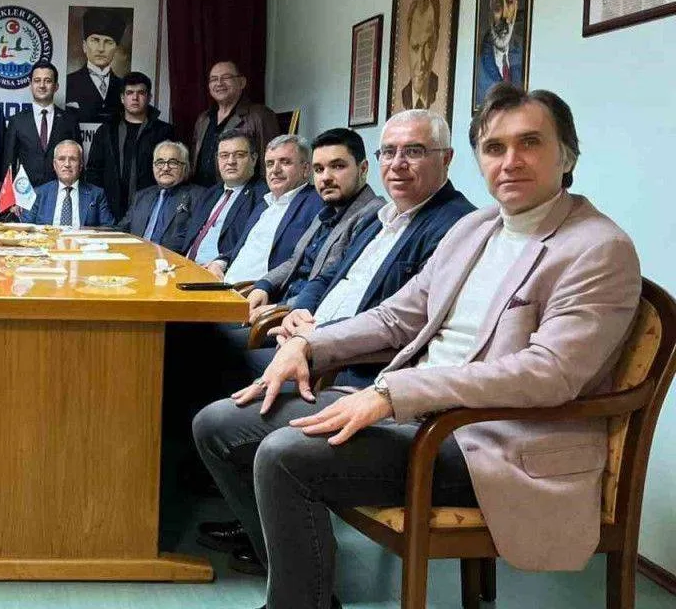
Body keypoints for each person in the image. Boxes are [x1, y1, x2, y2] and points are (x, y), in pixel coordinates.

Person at [193, 84, 639, 609]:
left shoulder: (597, 248)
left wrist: (392, 393)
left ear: (568, 155)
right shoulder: (476, 228)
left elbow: (548, 374)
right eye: (494, 148)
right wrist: (309, 346)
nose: (510, 161)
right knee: (217, 424)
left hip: (489, 442)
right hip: (416, 413)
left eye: (530, 143)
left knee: (284, 455)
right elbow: (398, 315)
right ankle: (304, 589)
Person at [193, 109, 475, 566]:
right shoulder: (381, 217)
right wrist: (301, 314)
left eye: (414, 152)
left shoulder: (455, 226)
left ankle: (274, 538)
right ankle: (262, 525)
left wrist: (318, 339)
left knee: (214, 369)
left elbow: (408, 325)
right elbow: (329, 277)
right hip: (314, 338)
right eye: (390, 152)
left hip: (354, 369)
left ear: (447, 159)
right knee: (204, 353)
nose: (398, 164)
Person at [244, 128, 384, 308]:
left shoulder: (374, 215)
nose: (325, 177)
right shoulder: (326, 211)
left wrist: (277, 309)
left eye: (337, 166)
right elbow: (295, 261)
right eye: (319, 169)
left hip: (303, 314)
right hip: (280, 301)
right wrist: (264, 285)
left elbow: (335, 286)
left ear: (363, 169)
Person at [208, 135, 324, 284]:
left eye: (285, 162)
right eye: (270, 164)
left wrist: (264, 288)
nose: (275, 170)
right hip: (224, 284)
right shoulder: (264, 204)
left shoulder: (317, 202)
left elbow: (305, 261)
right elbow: (245, 247)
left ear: (306, 169)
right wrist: (219, 262)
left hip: (258, 292)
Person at [85, 71, 173, 218]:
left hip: (151, 209)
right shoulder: (106, 131)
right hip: (109, 210)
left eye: (141, 93)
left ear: (149, 97)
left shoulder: (164, 132)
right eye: (130, 92)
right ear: (122, 98)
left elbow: (171, 172)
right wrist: (99, 206)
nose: (135, 97)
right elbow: (94, 172)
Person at [182, 129, 267, 264]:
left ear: (253, 159)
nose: (231, 161)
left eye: (239, 155)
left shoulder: (263, 196)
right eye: (224, 155)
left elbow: (251, 246)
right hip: (186, 265)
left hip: (219, 270)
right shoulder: (210, 194)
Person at [191, 61, 279, 187]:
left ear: (242, 82)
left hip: (241, 192)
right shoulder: (203, 119)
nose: (219, 83)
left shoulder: (260, 115)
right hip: (202, 192)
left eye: (226, 77)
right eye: (214, 79)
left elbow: (270, 162)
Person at [2, 60, 81, 188]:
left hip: (60, 193)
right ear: (31, 85)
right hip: (26, 194)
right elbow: (8, 165)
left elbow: (78, 161)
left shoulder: (69, 121)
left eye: (48, 81)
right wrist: (11, 196)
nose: (42, 85)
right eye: (37, 80)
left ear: (56, 86)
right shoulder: (17, 121)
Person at [116, 140, 200, 253]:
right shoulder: (141, 196)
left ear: (185, 167)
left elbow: (190, 240)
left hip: (169, 259)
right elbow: (122, 230)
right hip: (135, 256)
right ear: (153, 166)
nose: (165, 168)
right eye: (160, 162)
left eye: (173, 162)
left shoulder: (198, 197)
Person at [26, 140, 114, 228]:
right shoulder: (38, 194)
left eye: (73, 159)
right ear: (54, 165)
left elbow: (108, 229)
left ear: (81, 165)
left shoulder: (96, 194)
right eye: (61, 159)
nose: (67, 164)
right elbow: (25, 228)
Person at [64, 8, 125, 127]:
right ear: (84, 46)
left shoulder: (124, 87)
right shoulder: (68, 82)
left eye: (108, 42)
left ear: (116, 49)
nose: (101, 48)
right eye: (95, 40)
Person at [474, 0, 525, 106]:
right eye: (498, 6)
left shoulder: (521, 55)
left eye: (510, 3)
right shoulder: (479, 66)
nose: (505, 15)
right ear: (490, 9)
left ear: (516, 7)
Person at [401, 0, 441, 111]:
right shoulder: (404, 95)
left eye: (428, 46)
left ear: (436, 42)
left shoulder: (440, 91)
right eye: (415, 47)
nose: (421, 62)